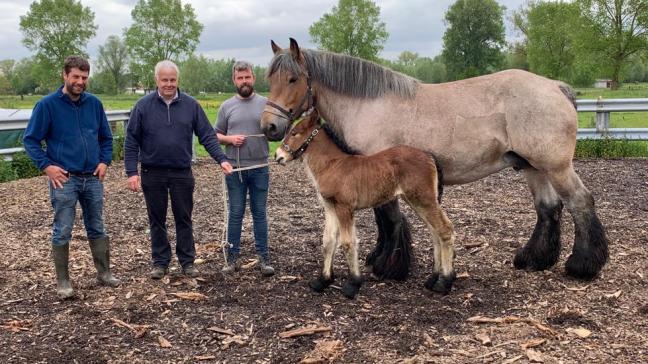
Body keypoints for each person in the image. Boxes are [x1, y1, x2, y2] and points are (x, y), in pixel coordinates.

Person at [124, 60, 233, 280]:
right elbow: (131, 140)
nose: (169, 84)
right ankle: (160, 261)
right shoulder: (143, 106)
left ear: (178, 80)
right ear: (157, 80)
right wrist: (131, 172)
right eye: (164, 80)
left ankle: (187, 261)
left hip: (181, 172)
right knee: (157, 218)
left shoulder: (191, 105)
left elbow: (207, 135)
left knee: (184, 217)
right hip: (151, 172)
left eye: (172, 80)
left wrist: (220, 159)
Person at [23, 55, 120, 299]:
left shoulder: (94, 104)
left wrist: (104, 161)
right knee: (63, 229)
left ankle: (104, 272)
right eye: (75, 76)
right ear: (65, 75)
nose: (80, 82)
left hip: (92, 178)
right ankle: (63, 281)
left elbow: (105, 138)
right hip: (64, 179)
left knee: (97, 225)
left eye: (84, 78)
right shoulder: (47, 106)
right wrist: (47, 166)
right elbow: (31, 140)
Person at [216, 60, 274, 277]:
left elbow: (276, 130)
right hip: (235, 170)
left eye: (247, 77)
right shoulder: (226, 107)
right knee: (236, 213)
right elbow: (215, 136)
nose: (244, 81)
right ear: (234, 80)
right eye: (240, 78)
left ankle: (264, 257)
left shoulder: (266, 104)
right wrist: (230, 139)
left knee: (259, 213)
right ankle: (232, 258)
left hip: (260, 168)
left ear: (253, 78)